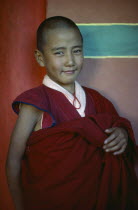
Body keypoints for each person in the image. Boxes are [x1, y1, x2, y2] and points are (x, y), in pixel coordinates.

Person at [6, 16, 138, 210]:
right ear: (40, 58)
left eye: (76, 51)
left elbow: (117, 126)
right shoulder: (35, 103)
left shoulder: (97, 99)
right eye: (59, 53)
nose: (70, 61)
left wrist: (122, 134)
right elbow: (13, 161)